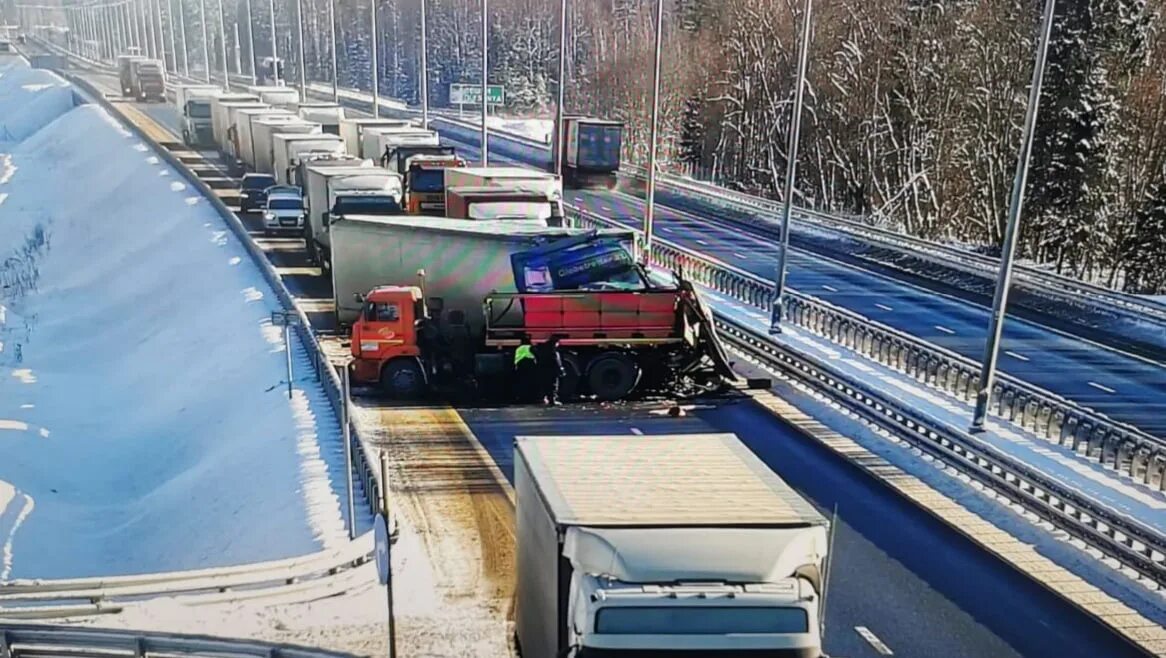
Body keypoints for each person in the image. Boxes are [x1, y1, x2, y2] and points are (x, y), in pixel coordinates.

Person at [534, 335, 565, 405]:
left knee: (543, 385)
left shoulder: (540, 348)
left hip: (541, 370)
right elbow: (556, 361)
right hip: (551, 371)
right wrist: (560, 370)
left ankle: (542, 398)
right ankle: (552, 400)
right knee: (552, 385)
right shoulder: (553, 351)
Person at [513, 336, 538, 402]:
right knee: (530, 382)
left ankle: (520, 397)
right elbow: (536, 354)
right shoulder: (530, 347)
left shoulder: (518, 348)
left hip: (520, 366)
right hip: (529, 365)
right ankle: (530, 397)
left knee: (521, 382)